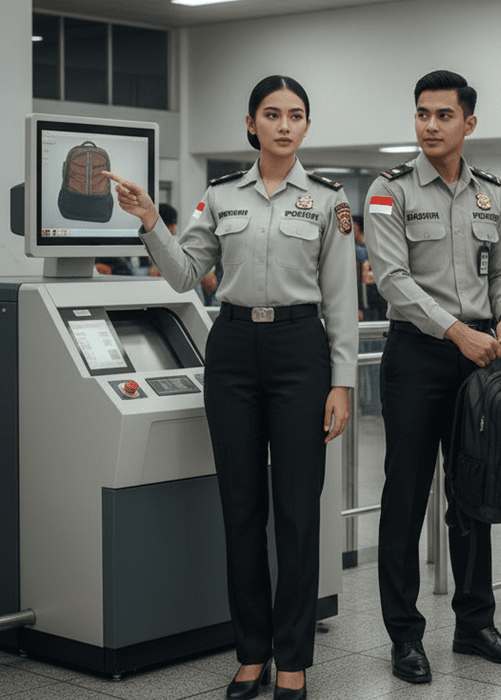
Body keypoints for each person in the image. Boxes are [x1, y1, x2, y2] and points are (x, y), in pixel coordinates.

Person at [106, 75, 357, 700]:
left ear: (306, 126)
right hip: (234, 350)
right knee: (241, 510)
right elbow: (184, 275)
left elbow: (341, 300)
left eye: (295, 115)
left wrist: (342, 383)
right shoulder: (220, 196)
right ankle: (251, 653)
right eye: (271, 114)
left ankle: (293, 656)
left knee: (297, 512)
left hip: (301, 351)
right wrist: (150, 222)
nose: (283, 125)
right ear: (251, 124)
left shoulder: (328, 201)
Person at [364, 69, 501, 685]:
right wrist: (457, 331)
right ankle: (405, 636)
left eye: (443, 115)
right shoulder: (389, 190)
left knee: (474, 490)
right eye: (422, 114)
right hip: (418, 354)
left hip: (479, 355)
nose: (430, 125)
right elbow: (391, 280)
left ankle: (475, 624)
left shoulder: (491, 192)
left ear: (469, 122)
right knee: (405, 497)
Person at [151, 201, 220, 305]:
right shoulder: (184, 246)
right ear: (173, 226)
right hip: (188, 306)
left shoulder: (143, 246)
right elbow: (211, 283)